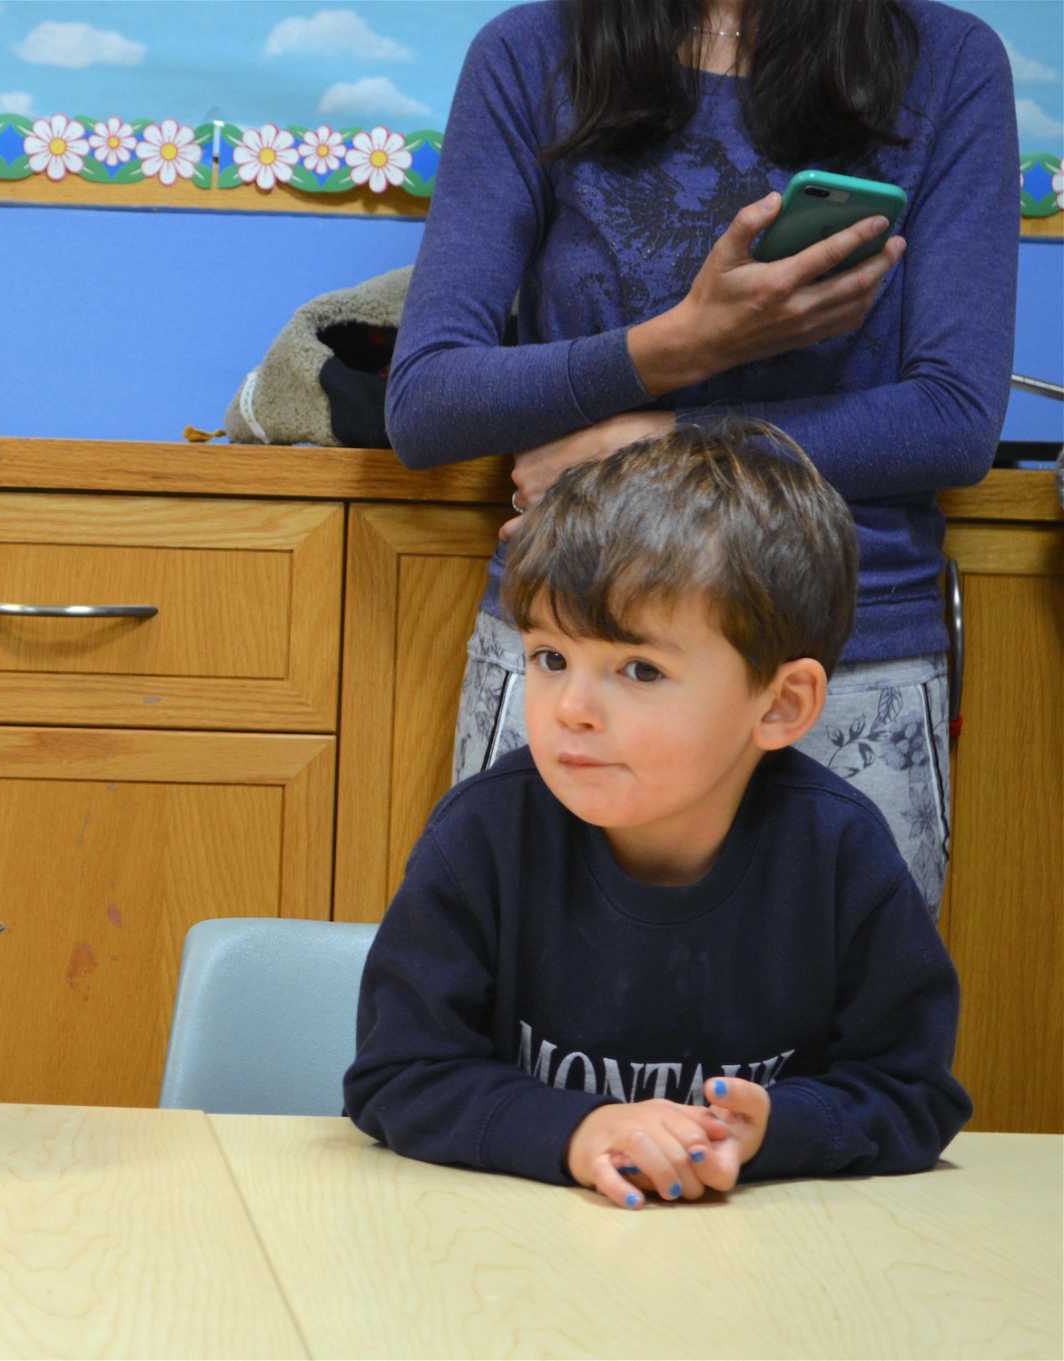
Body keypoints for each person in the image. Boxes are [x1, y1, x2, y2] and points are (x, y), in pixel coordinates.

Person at [384, 0, 1019, 916]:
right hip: (579, 648)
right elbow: (428, 401)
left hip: (840, 666)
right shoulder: (531, 52)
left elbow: (953, 418)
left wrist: (654, 441)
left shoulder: (946, 59)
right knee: (527, 1039)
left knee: (826, 1052)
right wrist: (684, 343)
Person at [343, 424, 972, 1210]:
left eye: (639, 669)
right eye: (550, 658)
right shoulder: (483, 835)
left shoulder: (841, 851)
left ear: (781, 704)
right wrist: (580, 1131)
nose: (571, 708)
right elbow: (398, 1075)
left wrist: (774, 1129)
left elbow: (914, 1092)